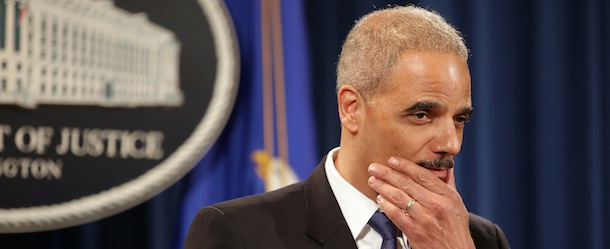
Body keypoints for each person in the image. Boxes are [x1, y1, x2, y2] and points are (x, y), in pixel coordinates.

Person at [185, 5, 510, 249]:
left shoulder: (479, 239)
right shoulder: (241, 233)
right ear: (351, 108)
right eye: (422, 115)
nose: (450, 144)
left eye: (459, 119)